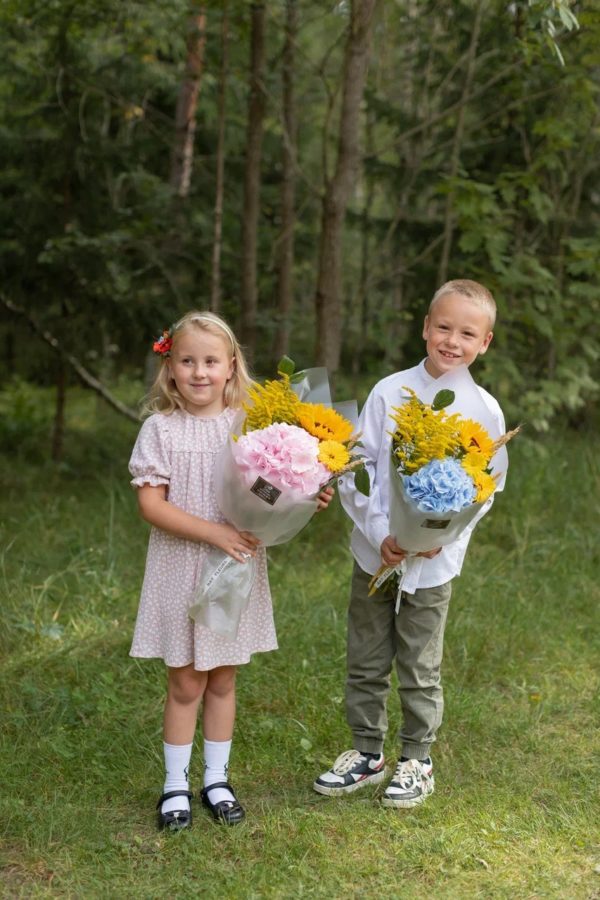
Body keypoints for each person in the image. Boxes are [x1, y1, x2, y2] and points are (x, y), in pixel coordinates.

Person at [129, 310, 331, 831]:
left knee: (222, 678)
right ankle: (175, 786)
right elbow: (152, 506)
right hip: (182, 565)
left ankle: (216, 779)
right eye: (187, 361)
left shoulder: (252, 423)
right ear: (169, 367)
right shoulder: (160, 429)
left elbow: (271, 485)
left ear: (231, 365)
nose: (199, 372)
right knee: (186, 682)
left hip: (236, 566)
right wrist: (213, 531)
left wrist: (304, 496)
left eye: (210, 361)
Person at [313, 279, 505, 809]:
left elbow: (485, 489)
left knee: (421, 663)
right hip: (376, 550)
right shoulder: (389, 391)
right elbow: (358, 470)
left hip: (433, 562)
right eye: (443, 327)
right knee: (367, 655)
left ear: (484, 343)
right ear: (425, 328)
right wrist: (383, 536)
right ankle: (367, 752)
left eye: (467, 333)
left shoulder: (484, 410)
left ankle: (417, 759)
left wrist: (437, 536)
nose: (452, 340)